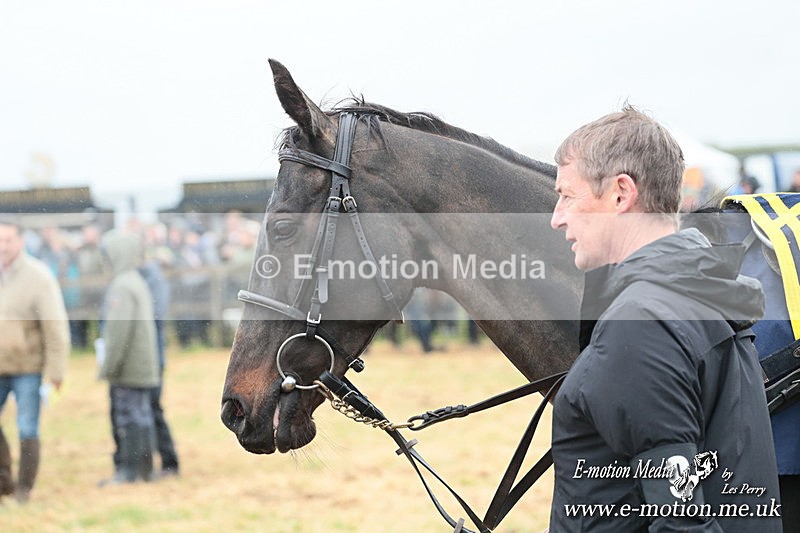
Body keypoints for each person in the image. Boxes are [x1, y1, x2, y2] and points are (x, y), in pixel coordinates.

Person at [548, 106, 781, 531]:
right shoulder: (699, 295)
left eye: (567, 195)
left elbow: (680, 523)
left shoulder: (641, 325)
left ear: (621, 193)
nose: (556, 217)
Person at [0, 217, 70, 503]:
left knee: (27, 427)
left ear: (21, 242)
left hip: (27, 368)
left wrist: (56, 372)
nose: (2, 247)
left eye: (7, 240)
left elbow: (55, 328)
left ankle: (23, 490)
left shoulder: (38, 277)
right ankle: (4, 479)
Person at [97, 230, 159, 485]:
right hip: (143, 363)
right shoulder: (135, 280)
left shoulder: (121, 286)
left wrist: (108, 367)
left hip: (128, 366)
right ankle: (145, 471)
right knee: (142, 417)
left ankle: (129, 472)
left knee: (128, 416)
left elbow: (117, 333)